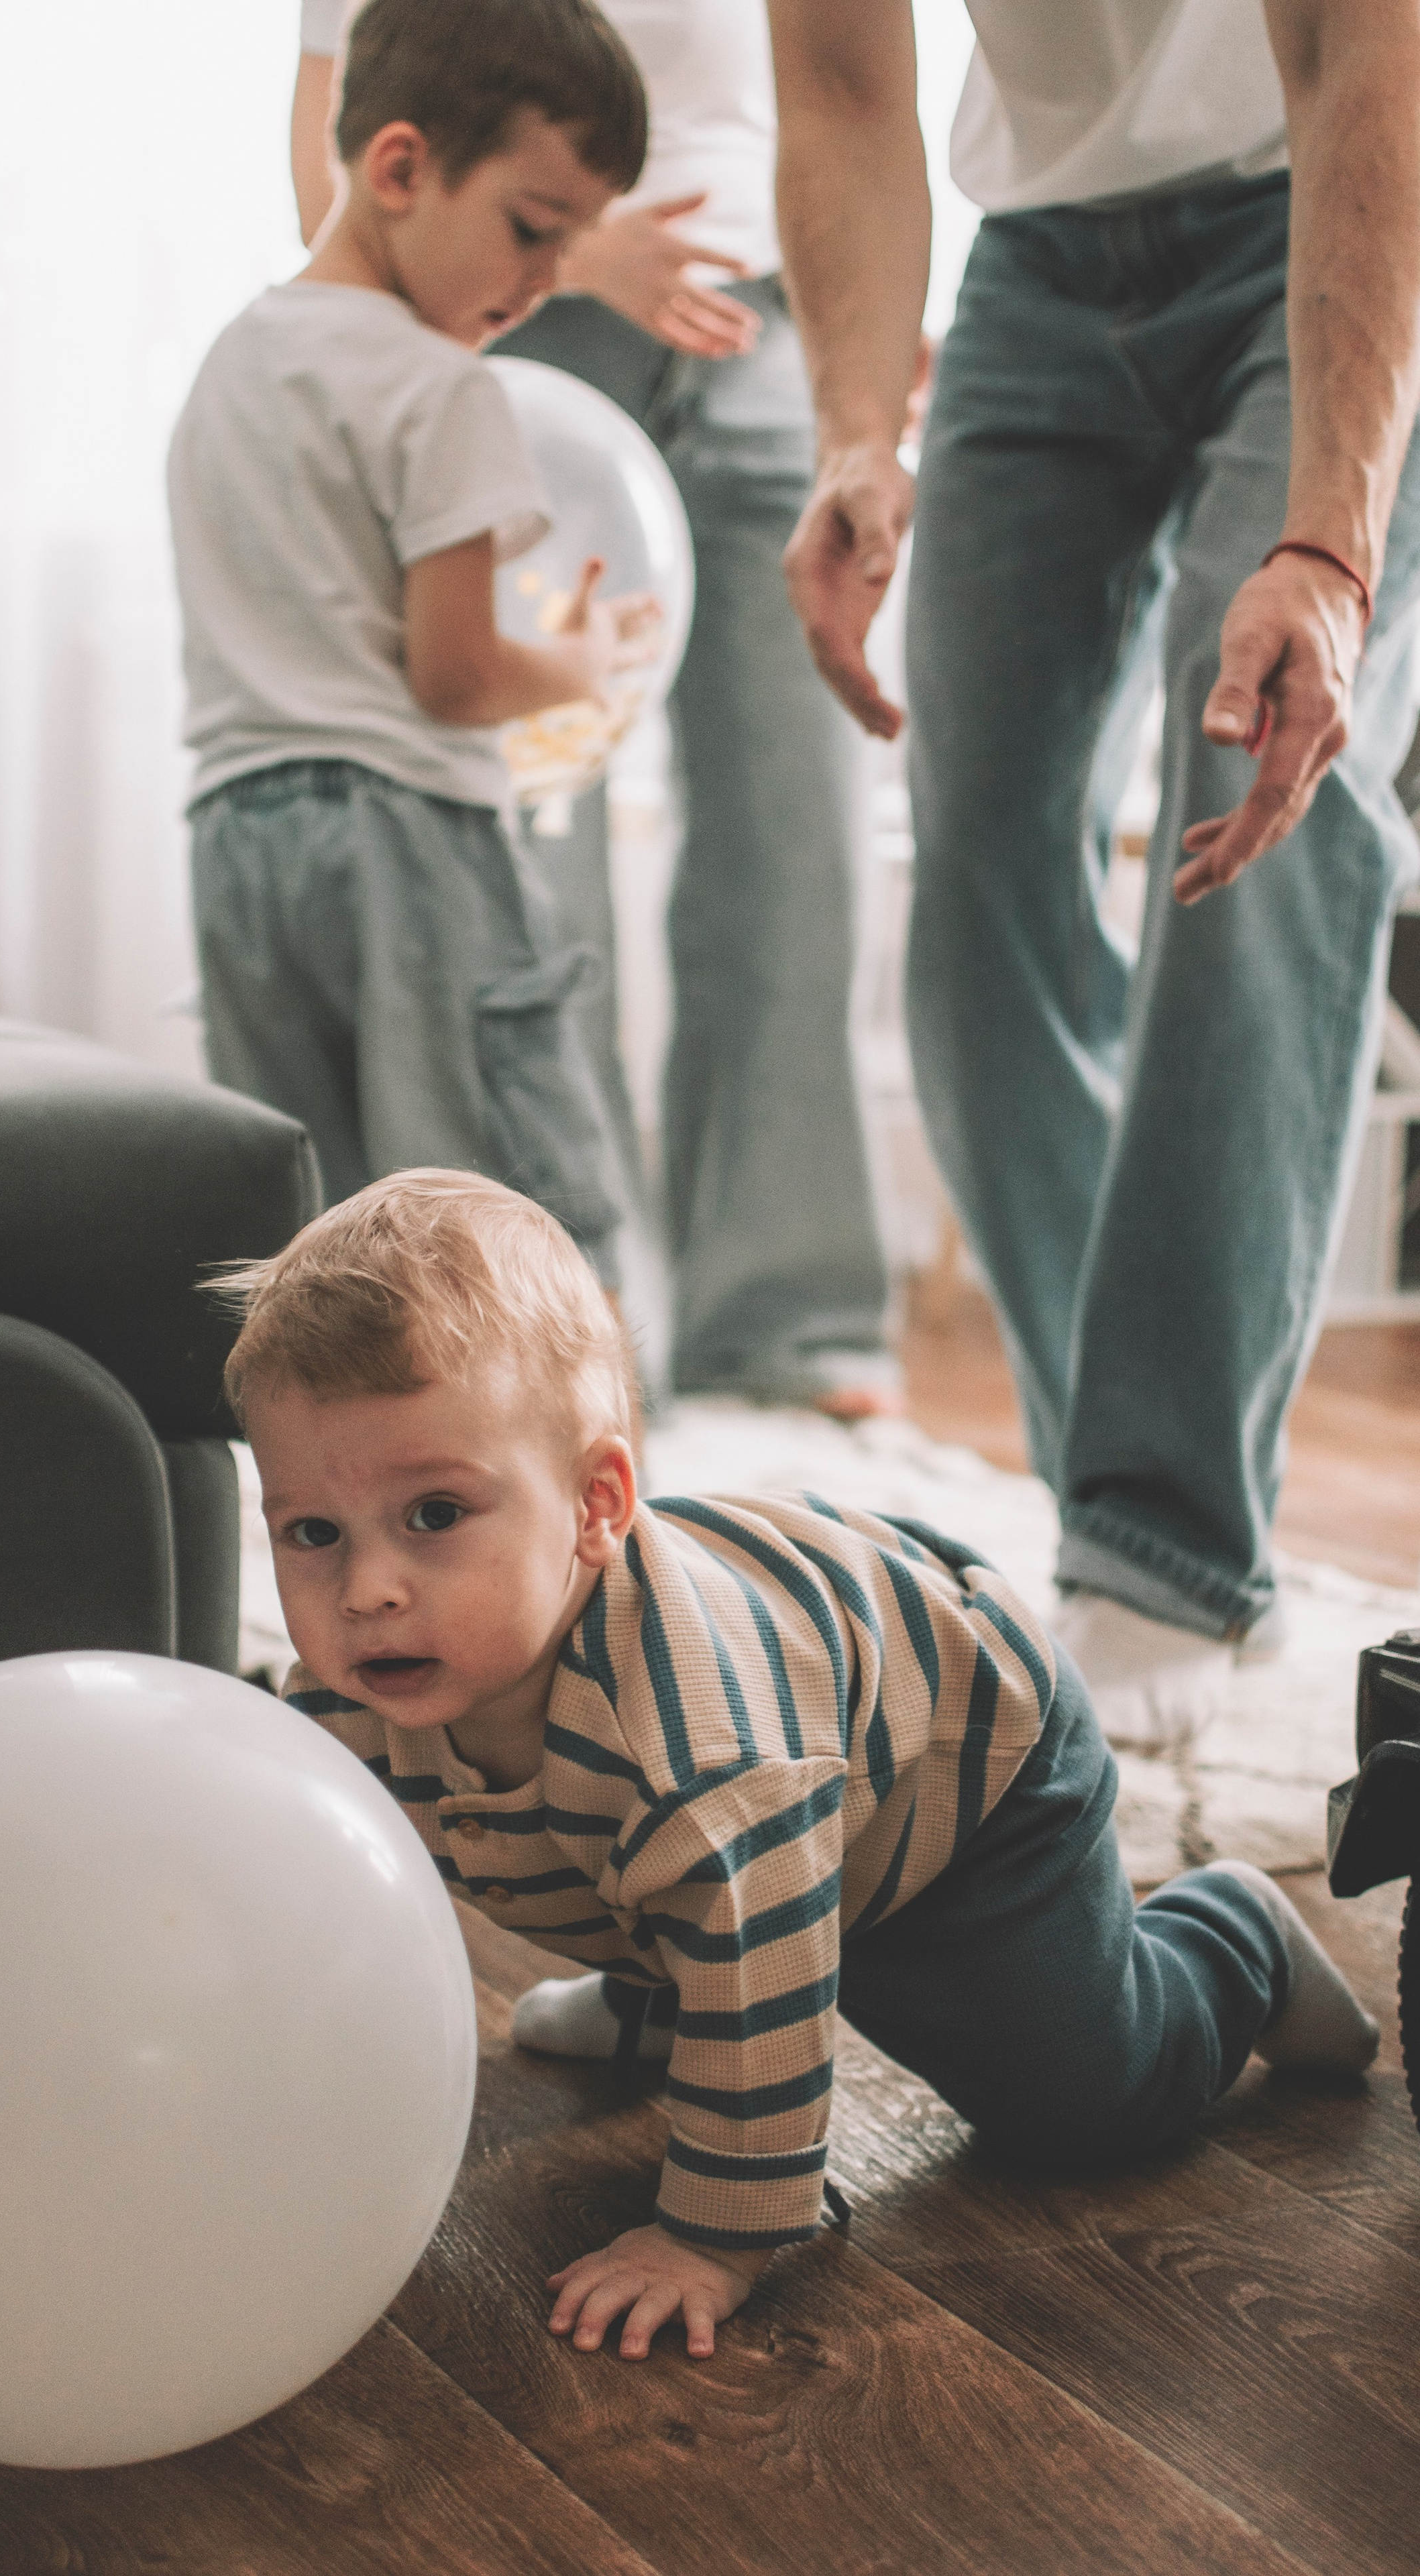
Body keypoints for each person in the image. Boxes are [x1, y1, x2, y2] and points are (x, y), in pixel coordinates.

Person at [229, 1166, 1377, 2363]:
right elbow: (307, 1868)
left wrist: (714, 2240)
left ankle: (1232, 1941)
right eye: (314, 1532)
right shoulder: (362, 1687)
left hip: (965, 1781)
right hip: (777, 1778)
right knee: (677, 1877)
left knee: (1074, 2101)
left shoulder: (698, 1756)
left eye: (433, 1515)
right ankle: (658, 1987)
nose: (367, 1589)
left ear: (593, 1506)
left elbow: (763, 1954)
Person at [767, 0, 1420, 1749]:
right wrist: (854, 434)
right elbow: (838, 84)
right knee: (971, 879)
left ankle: (1168, 1547)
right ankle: (1117, 1482)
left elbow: (1369, 53)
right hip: (1041, 265)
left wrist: (1329, 550)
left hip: (1336, 192)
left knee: (1259, 796)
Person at [290, 0, 904, 1419]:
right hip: (522, 339)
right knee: (528, 881)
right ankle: (560, 1335)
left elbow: (854, 100)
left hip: (766, 330)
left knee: (792, 845)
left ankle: (790, 1324)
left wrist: (863, 374)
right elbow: (330, 142)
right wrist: (569, 244)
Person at [168, 0, 657, 1285]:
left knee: (313, 1247)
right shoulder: (442, 387)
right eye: (532, 231)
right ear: (399, 168)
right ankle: (557, 1488)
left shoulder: (230, 366)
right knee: (502, 1223)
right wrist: (583, 660)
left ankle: (336, 1488)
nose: (546, 283)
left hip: (238, 843)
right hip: (407, 843)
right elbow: (457, 675)